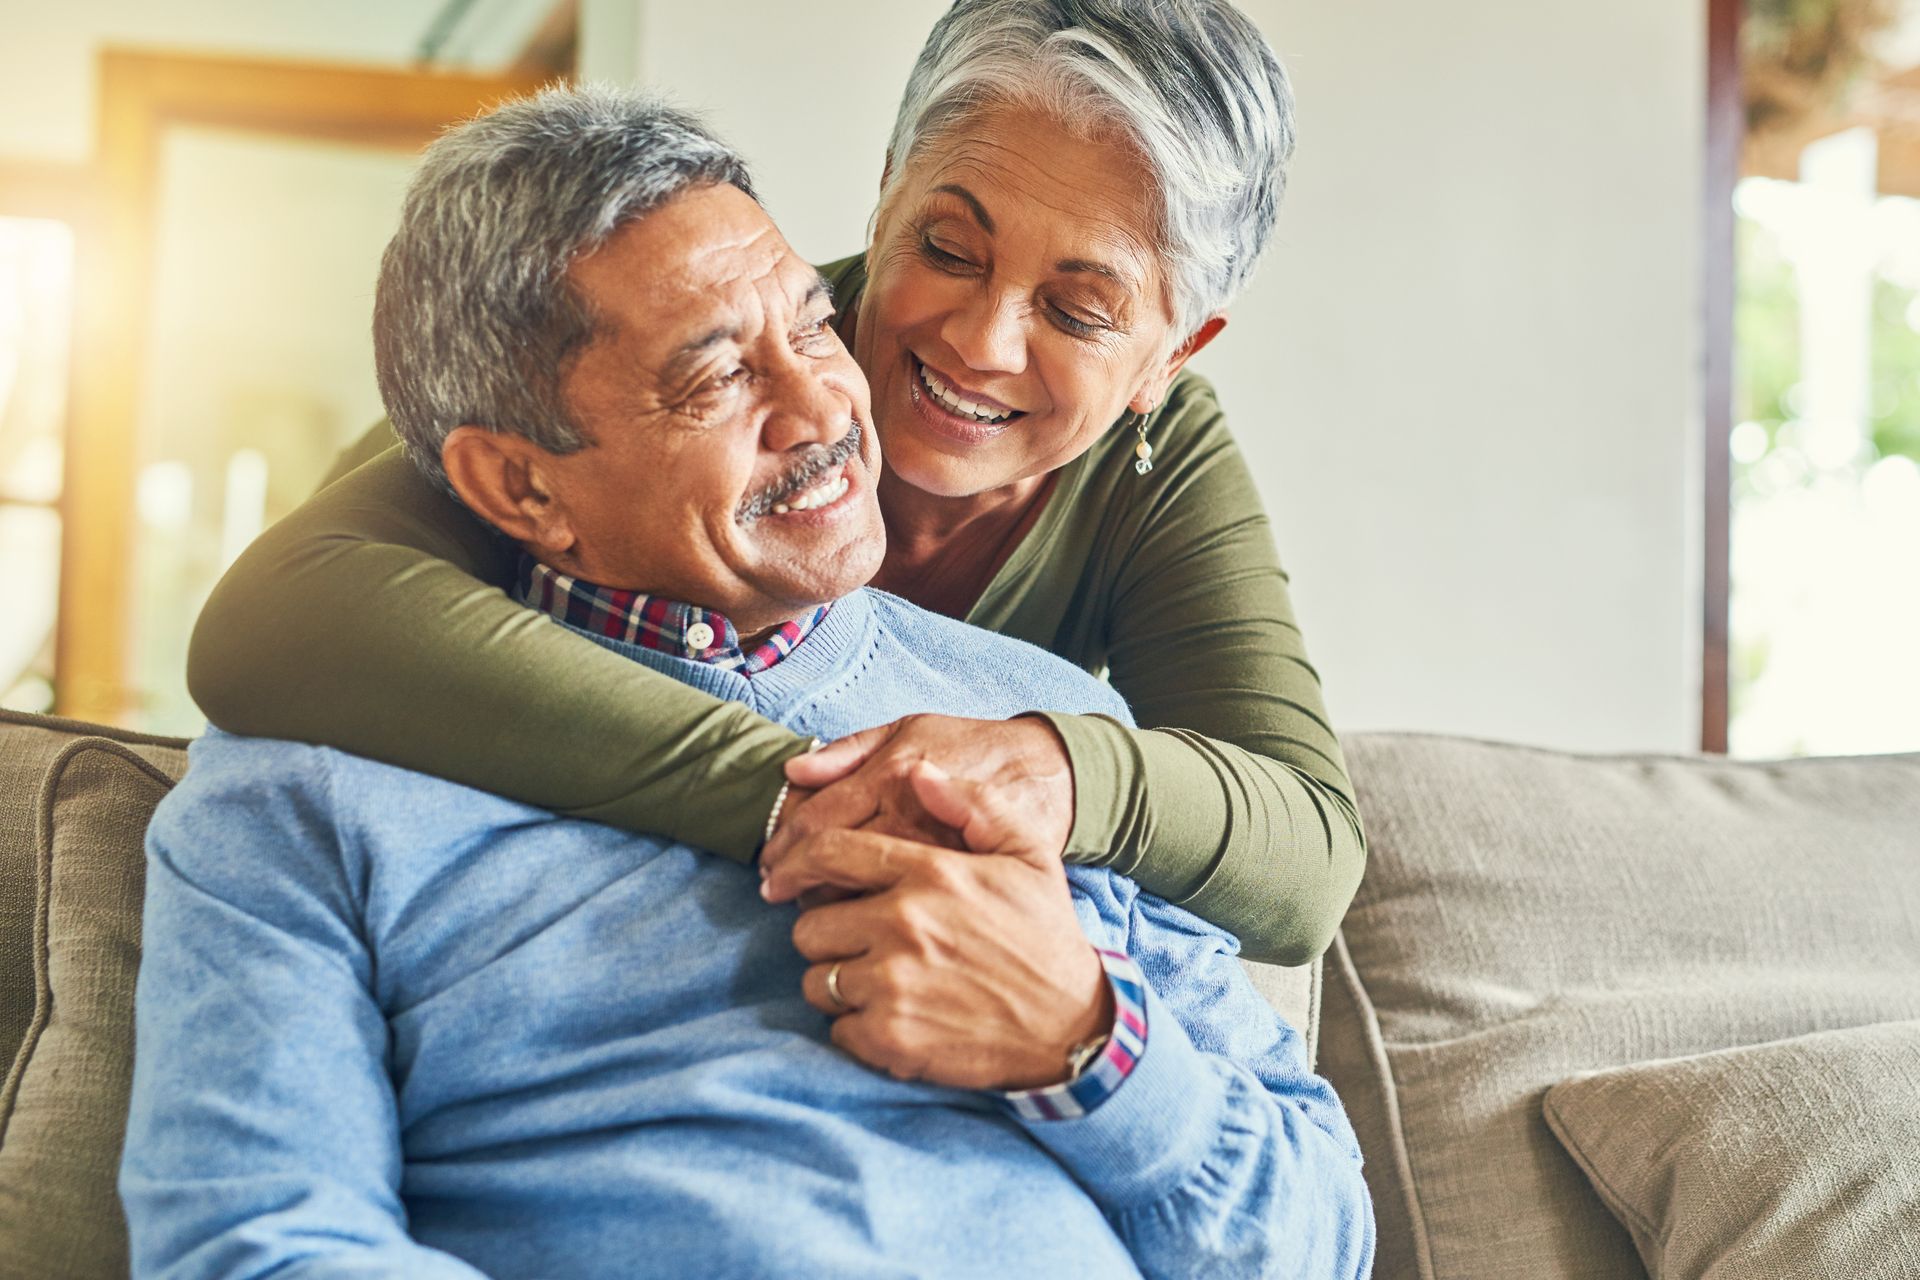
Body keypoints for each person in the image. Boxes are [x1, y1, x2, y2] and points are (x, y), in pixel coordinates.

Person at [121, 88, 1374, 1280]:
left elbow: (1325, 1242)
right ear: (521, 489)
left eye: (816, 326)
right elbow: (261, 1245)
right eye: (717, 377)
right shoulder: (305, 794)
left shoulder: (1044, 735)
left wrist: (1092, 1042)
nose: (824, 403)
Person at [186, 0, 1364, 966]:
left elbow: (1304, 854)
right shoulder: (667, 363)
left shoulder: (1154, 471)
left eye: (1078, 309)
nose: (981, 340)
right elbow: (274, 617)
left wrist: (1055, 766)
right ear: (889, 187)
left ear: (1173, 353)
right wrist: (814, 795)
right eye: (947, 247)